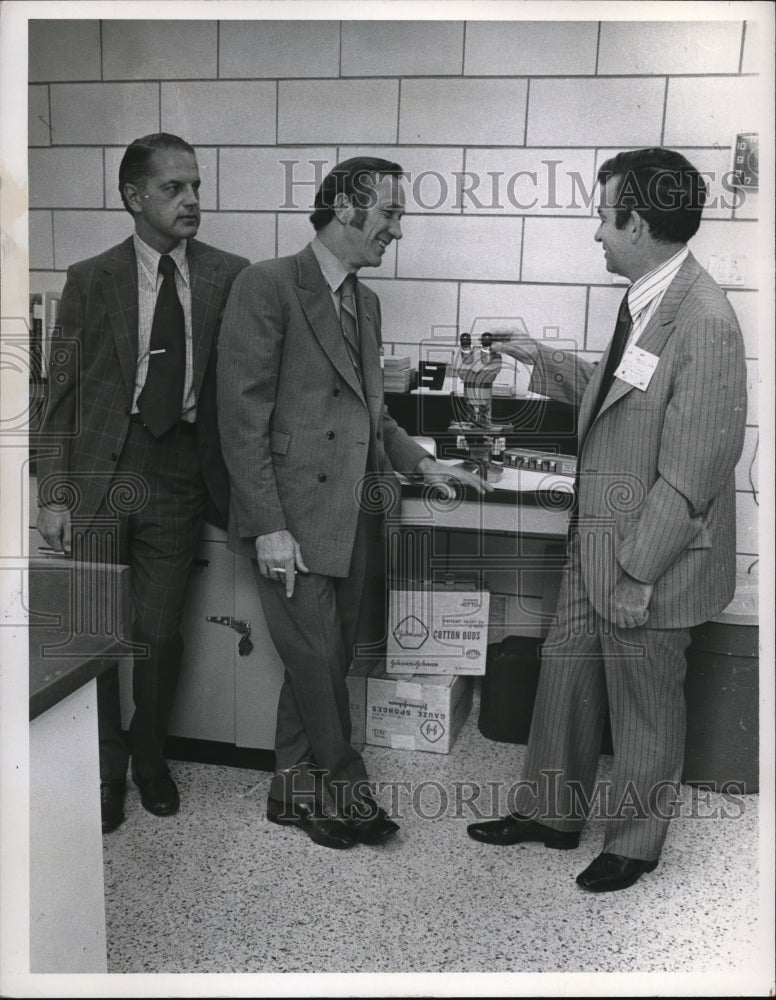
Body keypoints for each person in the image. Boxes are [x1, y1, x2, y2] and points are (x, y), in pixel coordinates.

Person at [467, 147, 747, 891]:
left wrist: (636, 573)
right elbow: (620, 396)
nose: (597, 232)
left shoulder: (706, 320)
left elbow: (692, 475)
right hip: (598, 542)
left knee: (644, 704)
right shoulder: (648, 298)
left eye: (604, 214)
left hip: (649, 558)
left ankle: (635, 842)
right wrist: (541, 358)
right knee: (565, 678)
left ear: (639, 220)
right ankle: (549, 814)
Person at [217, 156, 490, 849]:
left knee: (326, 658)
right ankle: (345, 787)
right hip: (291, 519)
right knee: (314, 657)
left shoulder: (364, 302)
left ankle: (289, 791)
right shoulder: (268, 285)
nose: (397, 230)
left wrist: (426, 465)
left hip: (354, 513)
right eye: (390, 213)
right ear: (345, 207)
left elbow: (376, 416)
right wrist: (269, 528)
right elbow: (239, 420)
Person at [36, 133, 250, 833]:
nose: (191, 200)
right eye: (173, 188)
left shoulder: (229, 276)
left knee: (158, 633)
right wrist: (55, 493)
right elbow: (59, 393)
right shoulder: (90, 279)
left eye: (195, 185)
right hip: (103, 467)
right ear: (133, 197)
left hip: (182, 469)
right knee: (95, 633)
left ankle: (149, 756)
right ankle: (106, 770)